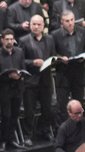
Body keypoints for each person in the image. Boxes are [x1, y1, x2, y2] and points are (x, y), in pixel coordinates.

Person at [51, 11, 85, 124]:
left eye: (72, 20)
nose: (70, 23)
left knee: (79, 104)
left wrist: (84, 57)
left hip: (78, 72)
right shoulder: (55, 35)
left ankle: (78, 129)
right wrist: (60, 58)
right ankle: (63, 130)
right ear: (62, 22)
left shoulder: (83, 32)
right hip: (63, 73)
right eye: (67, 21)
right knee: (62, 105)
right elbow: (52, 54)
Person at [19, 14, 54, 144]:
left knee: (47, 109)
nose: (36, 27)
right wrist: (32, 62)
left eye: (39, 24)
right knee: (29, 111)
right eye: (34, 24)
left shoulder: (50, 39)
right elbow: (20, 60)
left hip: (45, 80)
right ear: (30, 25)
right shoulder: (24, 40)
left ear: (43, 26)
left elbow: (53, 55)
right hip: (31, 80)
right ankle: (27, 136)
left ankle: (45, 131)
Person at [0, 29, 25, 152]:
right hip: (4, 88)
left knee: (15, 115)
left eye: (11, 39)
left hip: (17, 88)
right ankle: (3, 141)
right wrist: (8, 76)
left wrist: (20, 75)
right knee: (6, 115)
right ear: (2, 40)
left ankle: (11, 139)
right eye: (7, 39)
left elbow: (23, 68)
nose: (10, 41)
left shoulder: (19, 52)